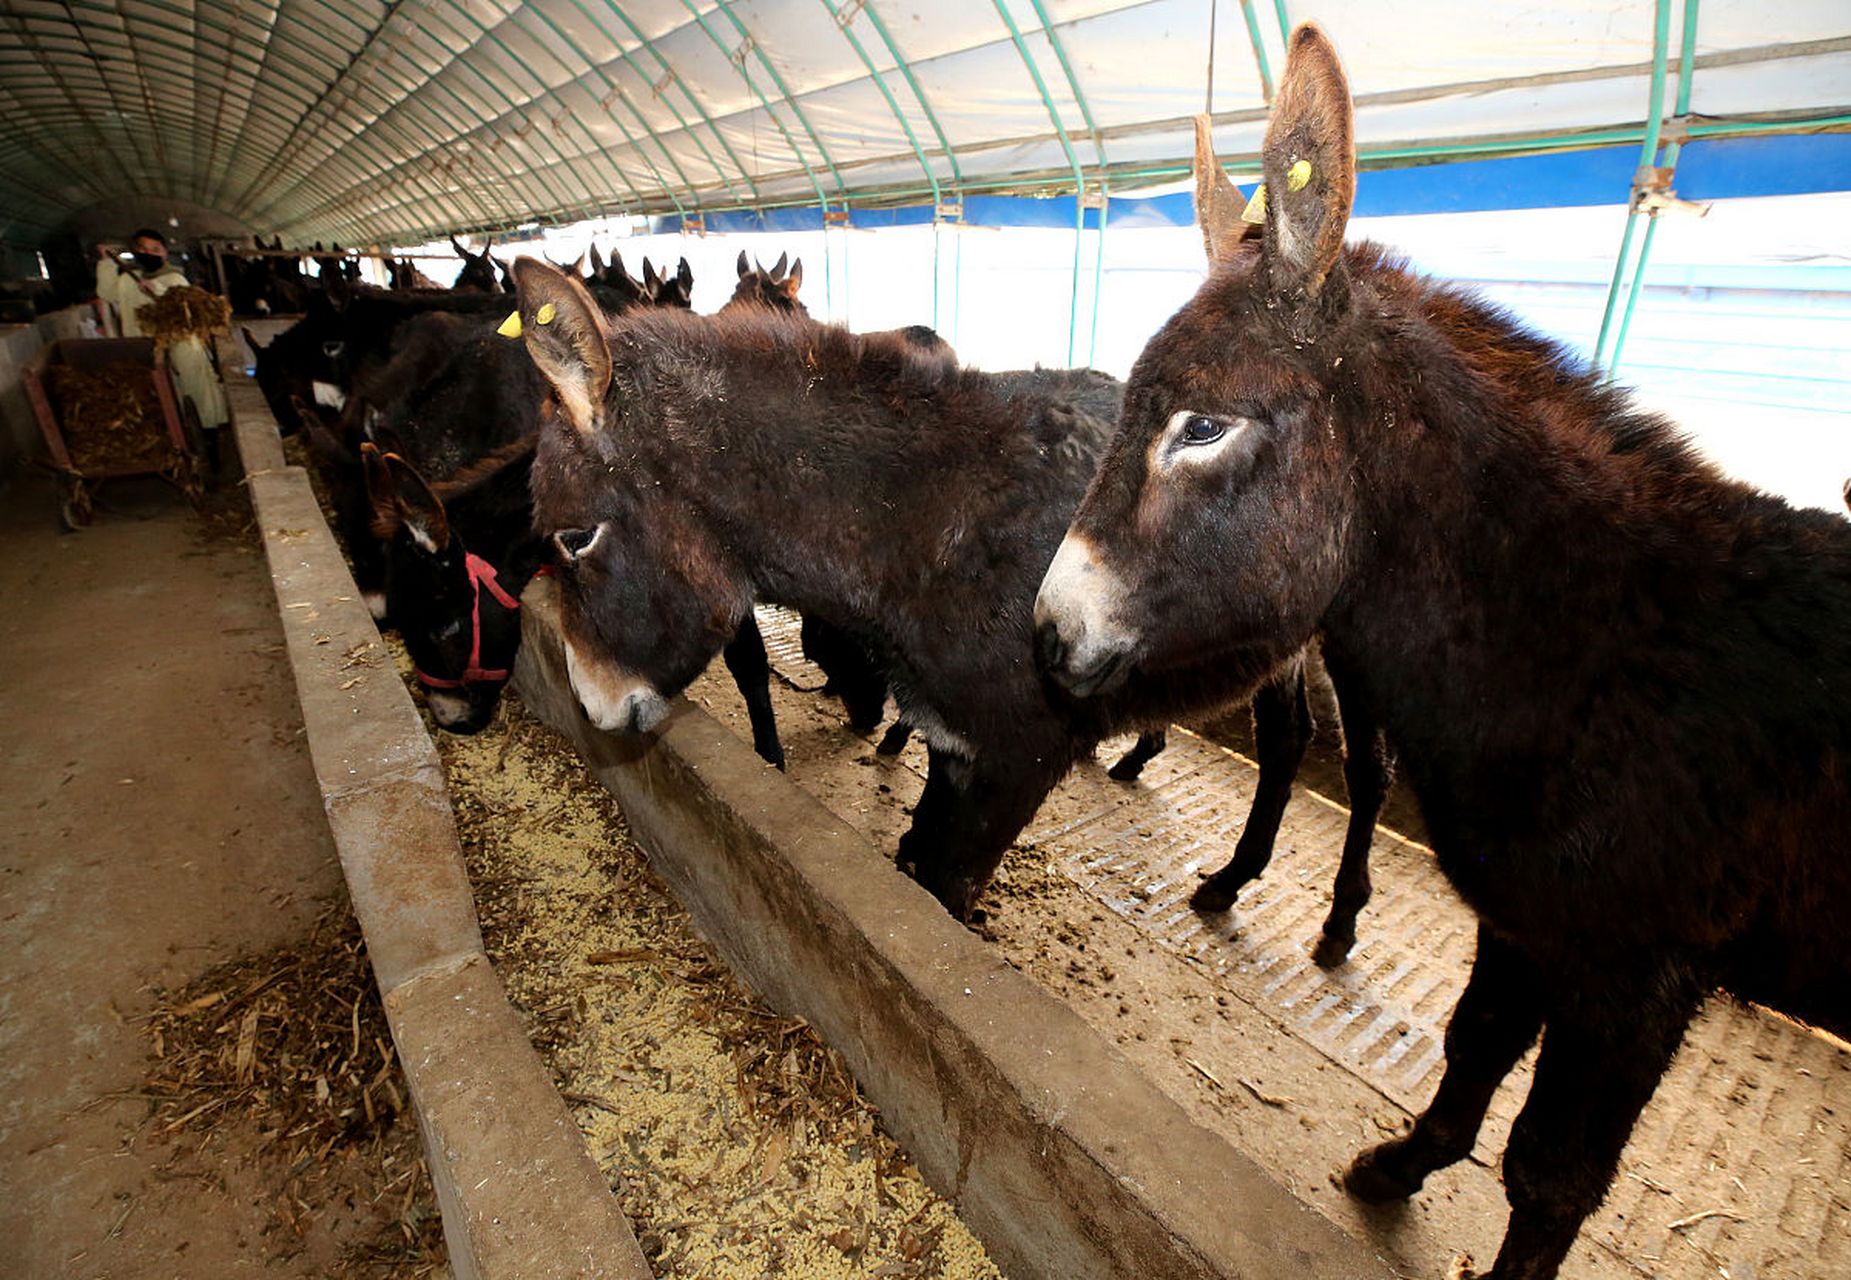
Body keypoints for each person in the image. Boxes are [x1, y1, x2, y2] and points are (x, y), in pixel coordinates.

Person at [94, 229, 230, 459]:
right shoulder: (127, 279)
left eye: (155, 249)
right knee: (151, 393)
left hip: (180, 342)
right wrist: (106, 262)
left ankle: (209, 438)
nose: (149, 253)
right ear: (135, 251)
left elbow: (184, 306)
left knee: (195, 385)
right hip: (142, 343)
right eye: (143, 249)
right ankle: (165, 443)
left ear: (164, 252)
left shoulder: (175, 278)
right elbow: (106, 294)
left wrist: (156, 290)